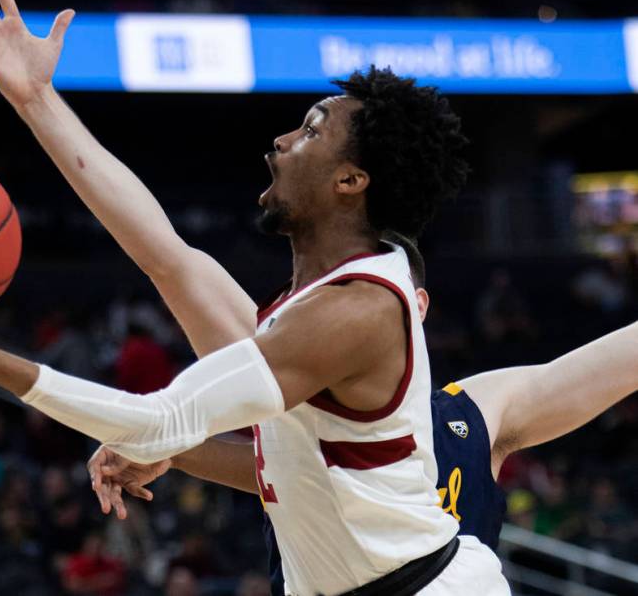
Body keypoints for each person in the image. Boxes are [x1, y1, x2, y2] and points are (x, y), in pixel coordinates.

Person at [0, 0, 502, 595]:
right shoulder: (307, 308)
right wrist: (35, 98)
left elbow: (161, 416)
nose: (279, 141)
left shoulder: (353, 312)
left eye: (310, 131)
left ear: (350, 182)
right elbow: (164, 255)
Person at [87, 236, 638, 594]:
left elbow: (611, 364)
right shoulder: (291, 399)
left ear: (414, 307)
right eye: (320, 300)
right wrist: (164, 442)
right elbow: (172, 261)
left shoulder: (477, 412)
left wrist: (169, 444)